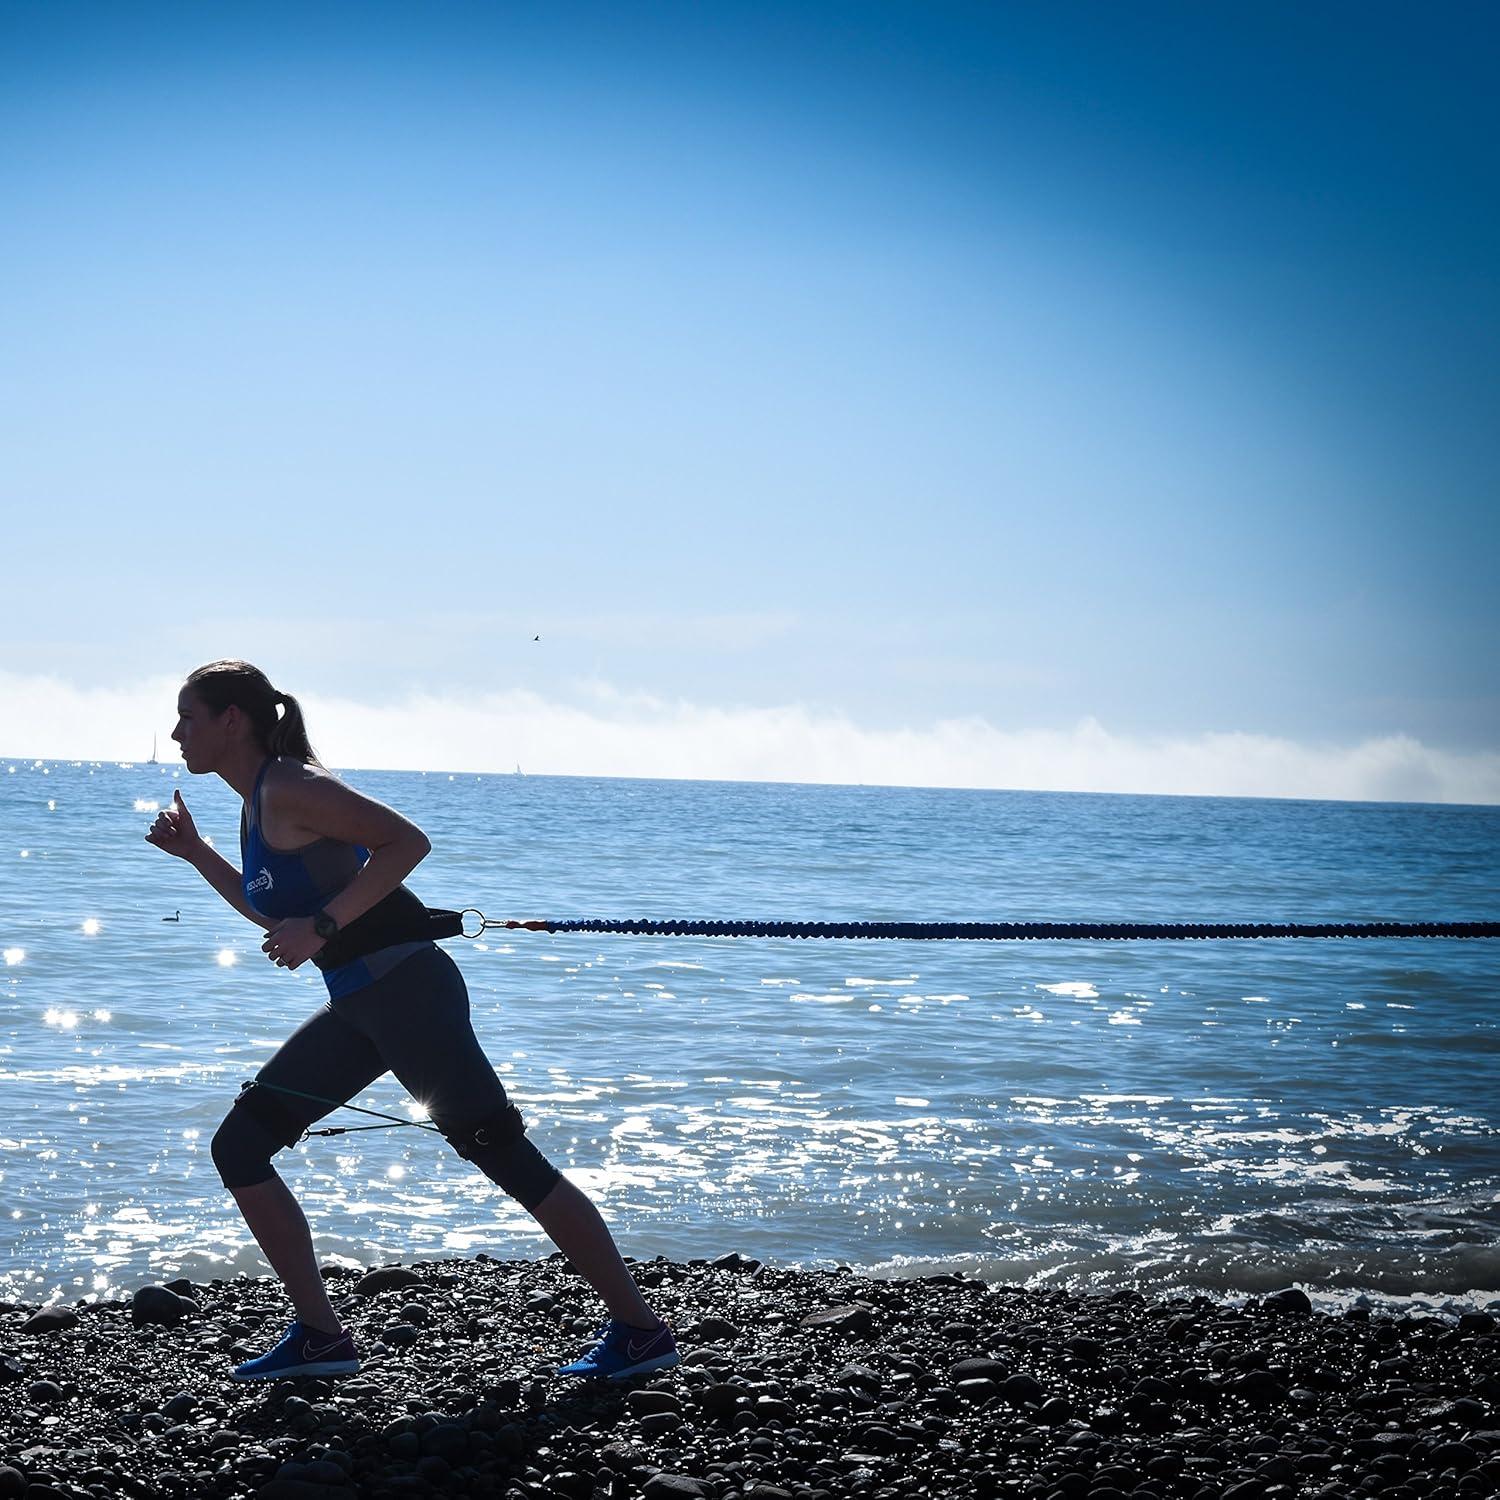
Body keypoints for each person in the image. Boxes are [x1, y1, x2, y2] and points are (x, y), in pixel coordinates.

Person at [145, 659, 677, 1383]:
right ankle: (321, 1339)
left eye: (189, 717)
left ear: (231, 720)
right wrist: (196, 852)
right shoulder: (257, 799)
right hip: (365, 1007)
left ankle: (641, 1332)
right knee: (240, 1147)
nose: (176, 733)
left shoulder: (294, 786)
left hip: (407, 996)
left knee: (504, 1155)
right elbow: (275, 908)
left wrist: (324, 927)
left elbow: (406, 841)